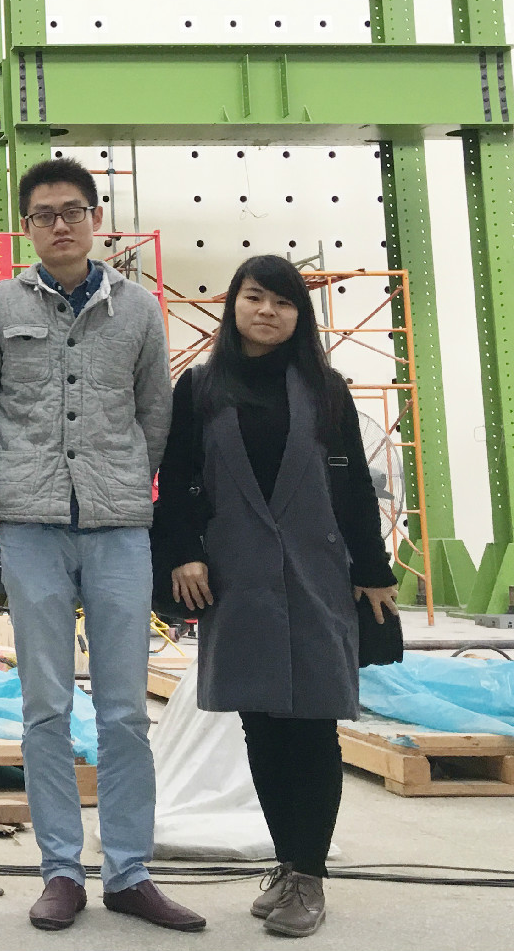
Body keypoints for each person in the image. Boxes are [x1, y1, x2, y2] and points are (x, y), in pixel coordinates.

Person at [0, 157, 205, 933]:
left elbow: (155, 413)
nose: (60, 225)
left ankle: (129, 871)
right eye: (44, 215)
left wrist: (122, 479)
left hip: (117, 529)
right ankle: (61, 870)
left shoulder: (137, 310)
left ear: (96, 218)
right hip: (30, 528)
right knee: (45, 706)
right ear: (26, 228)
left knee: (126, 710)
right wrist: (4, 490)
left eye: (72, 211)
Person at [152, 254, 398, 938]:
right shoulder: (198, 388)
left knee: (313, 724)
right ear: (234, 304)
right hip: (237, 579)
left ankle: (308, 874)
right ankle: (289, 865)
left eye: (283, 302)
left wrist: (373, 570)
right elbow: (175, 480)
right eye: (255, 298)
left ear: (300, 316)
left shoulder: (325, 390)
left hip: (318, 575)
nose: (268, 312)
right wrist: (183, 553)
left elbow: (355, 488)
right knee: (260, 722)